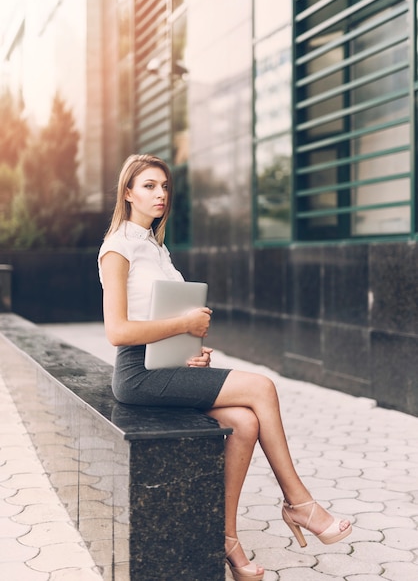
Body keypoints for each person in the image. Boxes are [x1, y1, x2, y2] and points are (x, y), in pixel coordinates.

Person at [98, 153, 352, 581]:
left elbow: (157, 321)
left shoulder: (156, 247)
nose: (160, 194)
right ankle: (299, 503)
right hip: (137, 375)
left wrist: (189, 350)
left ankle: (228, 539)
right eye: (148, 186)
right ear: (127, 193)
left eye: (164, 186)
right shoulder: (117, 248)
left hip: (165, 365)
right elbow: (118, 331)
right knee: (262, 387)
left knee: (245, 424)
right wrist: (185, 323)